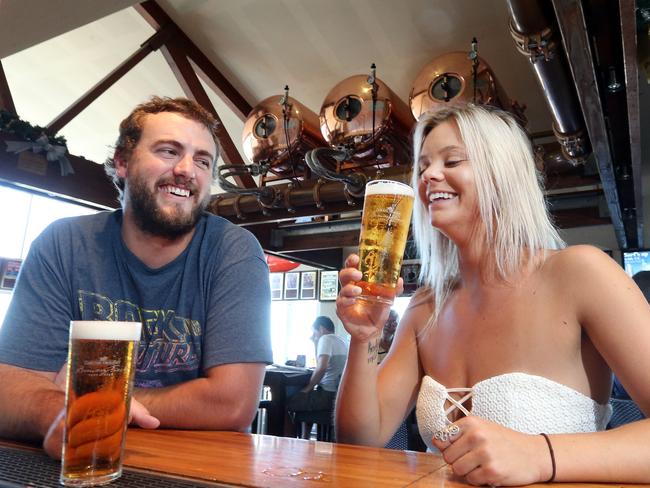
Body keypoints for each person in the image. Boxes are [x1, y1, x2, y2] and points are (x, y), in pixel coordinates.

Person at [335, 104, 650, 485]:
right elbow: (359, 439)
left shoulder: (581, 273)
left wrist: (538, 454)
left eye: (452, 161)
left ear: (502, 175)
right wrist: (363, 339)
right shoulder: (425, 307)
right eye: (423, 167)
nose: (429, 176)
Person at [0, 97, 272, 459]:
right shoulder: (63, 244)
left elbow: (233, 403)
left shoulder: (233, 251)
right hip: (80, 453)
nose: (187, 170)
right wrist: (57, 410)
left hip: (198, 464)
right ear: (122, 162)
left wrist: (96, 400)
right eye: (169, 151)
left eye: (203, 160)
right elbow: (8, 389)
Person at [287, 316, 348, 438]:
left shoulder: (325, 339)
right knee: (306, 400)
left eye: (314, 332)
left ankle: (288, 441)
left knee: (288, 403)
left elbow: (321, 368)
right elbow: (322, 364)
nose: (313, 335)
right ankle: (305, 438)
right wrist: (315, 343)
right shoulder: (342, 340)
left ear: (320, 329)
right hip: (339, 396)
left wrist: (307, 388)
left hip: (327, 395)